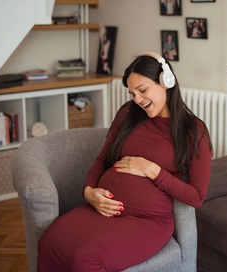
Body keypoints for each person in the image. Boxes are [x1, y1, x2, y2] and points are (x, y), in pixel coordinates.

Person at [37, 52, 213, 271]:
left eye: (142, 90)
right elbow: (102, 159)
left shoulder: (193, 131)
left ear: (166, 81)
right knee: (49, 241)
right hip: (103, 210)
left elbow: (196, 197)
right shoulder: (128, 114)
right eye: (132, 93)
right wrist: (89, 191)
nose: (138, 100)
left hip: (147, 220)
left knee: (83, 259)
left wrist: (153, 170)